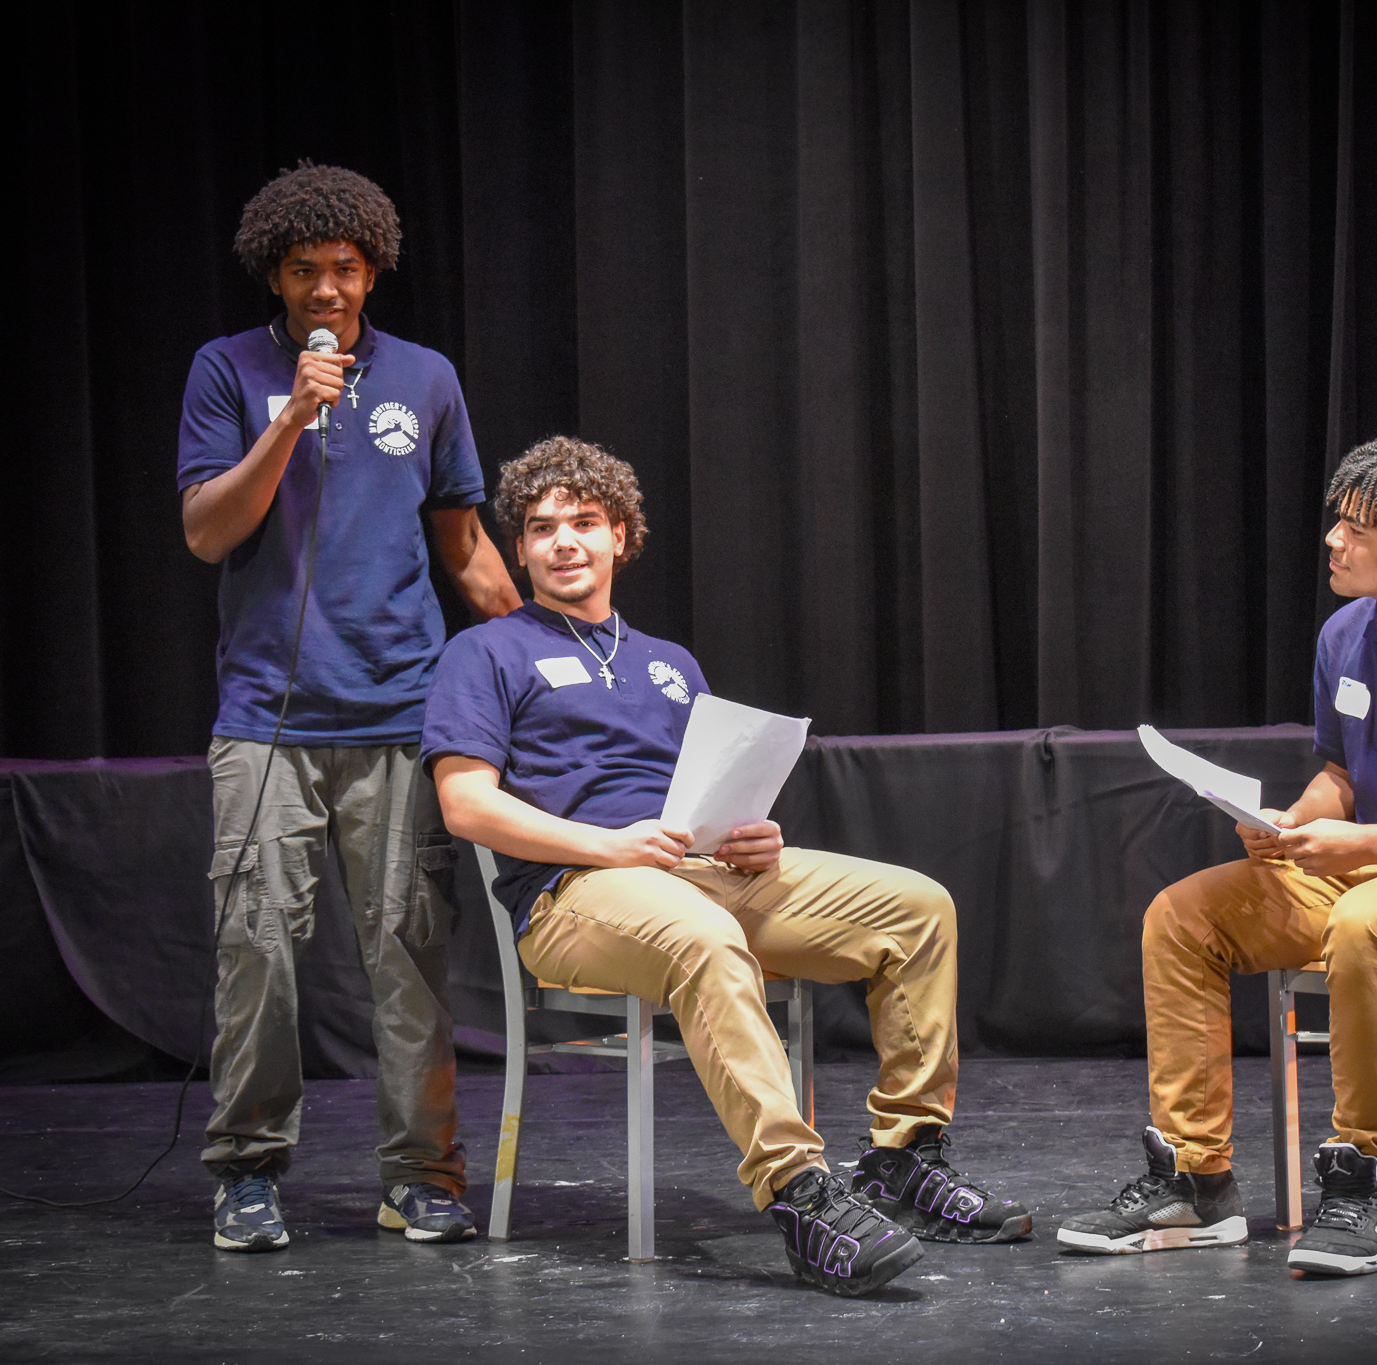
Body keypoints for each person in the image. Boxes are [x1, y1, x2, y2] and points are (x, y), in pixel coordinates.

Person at [423, 436, 1031, 1297]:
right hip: (575, 893)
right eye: (541, 526)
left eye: (585, 522)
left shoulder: (670, 664)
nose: (564, 540)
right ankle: (799, 1193)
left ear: (621, 536)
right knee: (703, 934)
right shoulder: (483, 654)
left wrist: (752, 833)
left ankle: (904, 1158)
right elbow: (467, 806)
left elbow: (705, 794)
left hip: (700, 870)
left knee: (917, 907)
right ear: (517, 548)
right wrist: (609, 844)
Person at [1058, 436, 1377, 1277]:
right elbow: (1342, 771)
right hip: (1370, 871)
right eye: (1337, 518)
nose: (1333, 537)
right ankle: (1198, 1181)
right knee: (1183, 915)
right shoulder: (1345, 635)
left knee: (1370, 923)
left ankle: (1370, 1186)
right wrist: (1296, 822)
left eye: (1357, 526)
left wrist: (1361, 841)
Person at [178, 162, 521, 1253]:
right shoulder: (227, 371)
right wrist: (289, 425)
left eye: (344, 269)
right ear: (272, 276)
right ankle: (246, 1172)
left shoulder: (425, 378)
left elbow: (463, 545)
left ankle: (420, 1177)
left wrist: (538, 646)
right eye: (303, 271)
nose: (325, 291)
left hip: (402, 716)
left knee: (409, 958)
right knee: (257, 955)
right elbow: (207, 532)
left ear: (371, 269)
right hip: (266, 724)